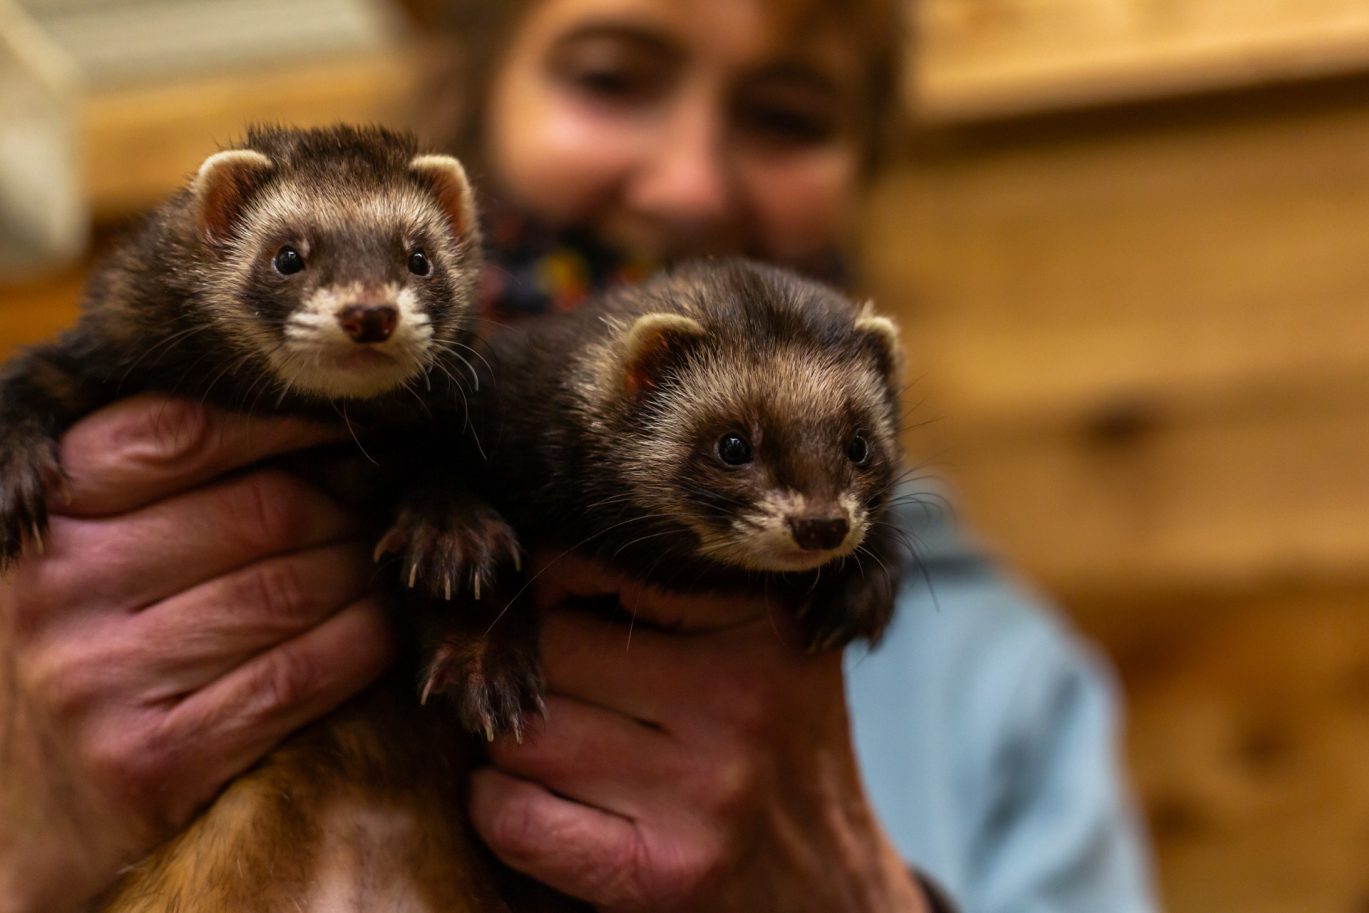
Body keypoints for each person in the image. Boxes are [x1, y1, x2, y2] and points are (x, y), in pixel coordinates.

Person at [0, 0, 1157, 911]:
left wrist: (856, 899)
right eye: (610, 77)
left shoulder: (1008, 683)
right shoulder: (72, 546)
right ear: (472, 94)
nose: (688, 183)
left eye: (790, 115)